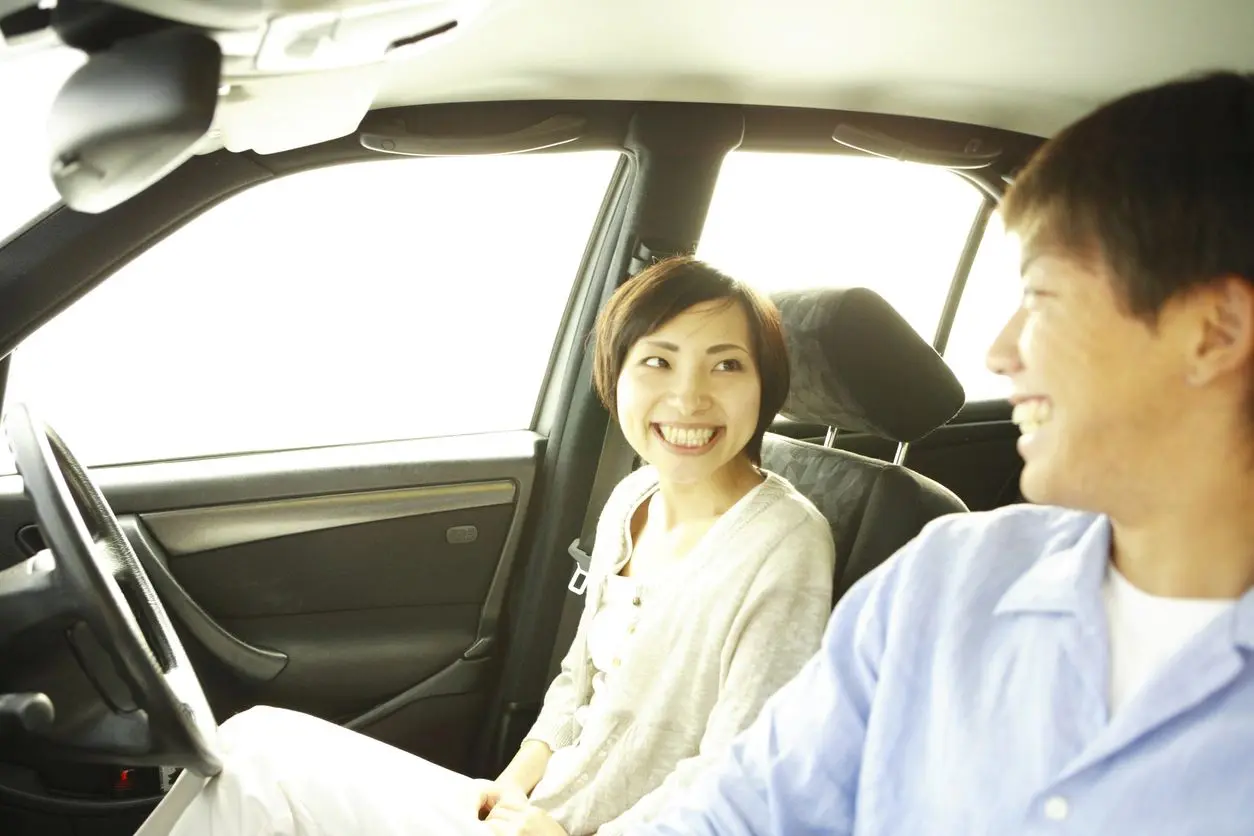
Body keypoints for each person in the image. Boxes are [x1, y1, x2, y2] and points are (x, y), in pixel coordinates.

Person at [624, 72, 1254, 836]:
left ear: (1216, 332)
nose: (999, 351)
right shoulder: (945, 578)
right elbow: (740, 815)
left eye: (1043, 300)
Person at [136, 256, 837, 836]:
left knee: (261, 773)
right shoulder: (634, 499)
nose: (687, 399)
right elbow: (577, 684)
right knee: (259, 741)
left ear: (764, 385)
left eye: (725, 366)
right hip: (539, 816)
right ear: (615, 376)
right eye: (657, 361)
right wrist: (510, 788)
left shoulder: (785, 541)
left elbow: (743, 769)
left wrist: (558, 833)